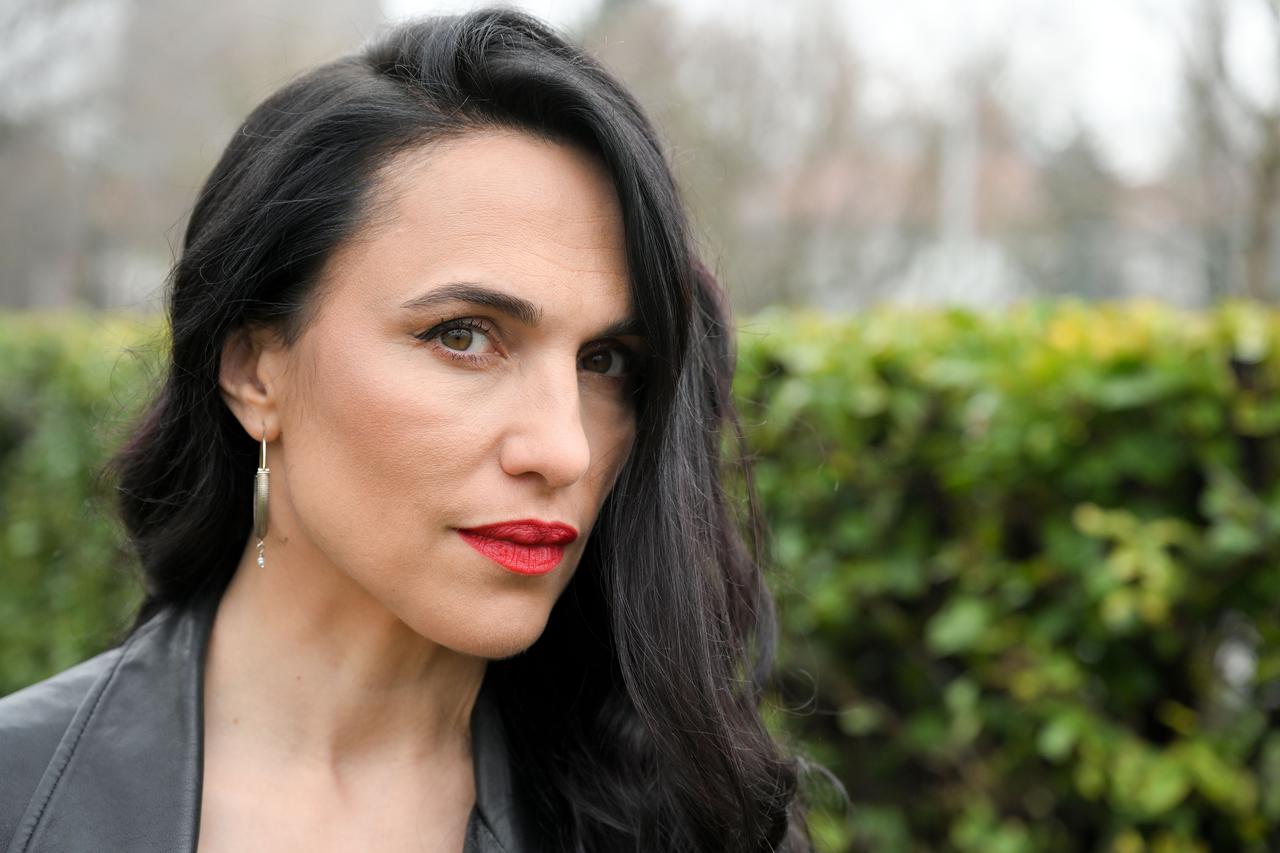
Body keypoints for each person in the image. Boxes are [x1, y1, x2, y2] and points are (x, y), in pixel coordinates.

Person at [0, 8, 812, 852]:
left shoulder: (690, 817)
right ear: (254, 370)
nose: (564, 448)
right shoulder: (22, 801)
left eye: (605, 361)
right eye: (463, 335)